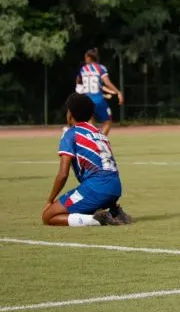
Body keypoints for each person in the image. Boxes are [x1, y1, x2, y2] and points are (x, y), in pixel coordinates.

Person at [42, 93, 133, 226]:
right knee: (77, 205)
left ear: (70, 114)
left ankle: (97, 219)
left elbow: (63, 174)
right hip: (115, 189)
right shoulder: (98, 132)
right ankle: (113, 211)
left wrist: (49, 201)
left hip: (96, 189)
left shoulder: (71, 134)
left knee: (48, 216)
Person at [76, 48, 124, 136]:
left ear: (90, 58)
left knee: (90, 123)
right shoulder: (100, 68)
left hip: (86, 100)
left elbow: (78, 80)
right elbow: (107, 82)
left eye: (86, 58)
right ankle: (100, 141)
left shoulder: (83, 69)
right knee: (107, 121)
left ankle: (91, 143)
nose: (85, 59)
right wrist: (118, 92)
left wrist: (79, 90)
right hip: (97, 99)